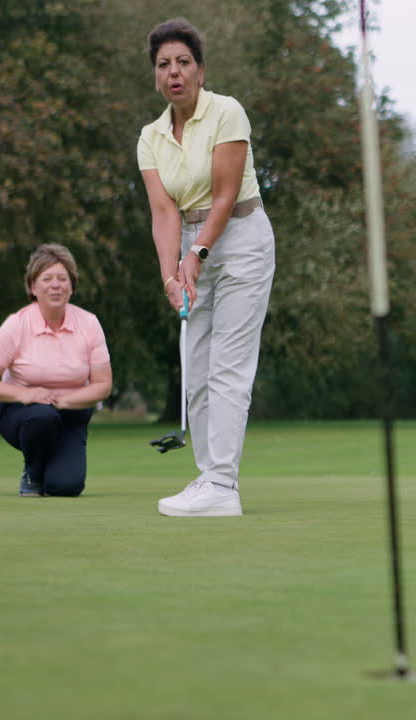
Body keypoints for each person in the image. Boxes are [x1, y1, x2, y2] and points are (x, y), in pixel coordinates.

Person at [137, 18, 276, 518]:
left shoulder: (227, 113)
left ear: (199, 70)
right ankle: (208, 477)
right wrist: (170, 276)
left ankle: (222, 483)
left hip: (240, 238)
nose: (173, 72)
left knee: (227, 367)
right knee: (195, 368)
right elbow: (164, 211)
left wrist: (196, 256)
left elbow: (224, 195)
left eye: (183, 63)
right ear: (156, 77)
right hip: (190, 242)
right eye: (163, 65)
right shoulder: (151, 137)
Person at [0, 244, 113, 497]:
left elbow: (103, 384)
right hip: (23, 413)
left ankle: (51, 470)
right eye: (46, 279)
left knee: (66, 487)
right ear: (33, 288)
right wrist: (25, 395)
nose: (55, 285)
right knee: (42, 416)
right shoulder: (17, 324)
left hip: (71, 413)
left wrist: (64, 400)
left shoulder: (89, 323)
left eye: (62, 278)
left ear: (72, 286)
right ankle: (33, 473)